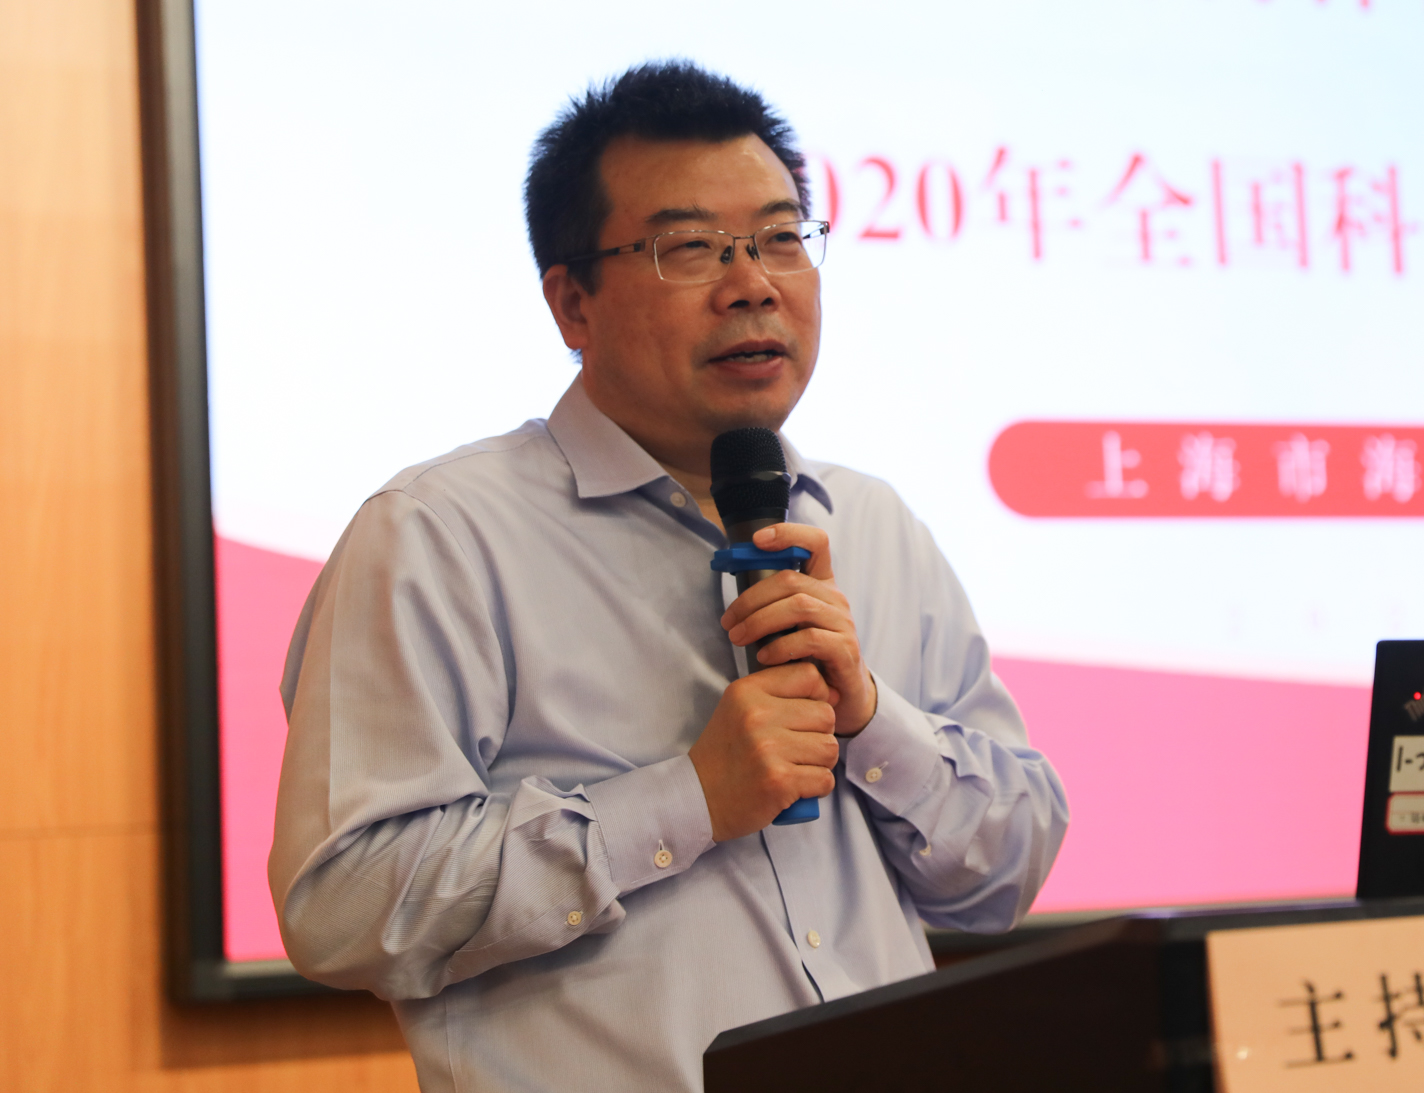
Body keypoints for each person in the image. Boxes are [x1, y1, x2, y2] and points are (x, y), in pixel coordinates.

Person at [268, 60, 1068, 1092]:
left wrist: (870, 719)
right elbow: (342, 907)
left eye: (781, 238)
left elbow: (1007, 869)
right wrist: (686, 800)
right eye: (690, 248)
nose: (754, 284)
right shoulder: (438, 536)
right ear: (573, 303)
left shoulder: (871, 524)